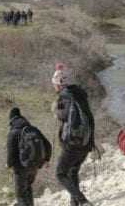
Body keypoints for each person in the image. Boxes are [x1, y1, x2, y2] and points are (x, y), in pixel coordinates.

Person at [51, 64, 95, 206]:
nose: (54, 87)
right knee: (72, 171)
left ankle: (82, 201)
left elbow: (63, 116)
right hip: (86, 141)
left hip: (72, 141)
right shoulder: (80, 94)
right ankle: (74, 202)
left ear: (58, 85)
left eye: (54, 84)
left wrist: (56, 110)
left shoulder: (65, 97)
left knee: (60, 173)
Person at [7, 107, 52, 206]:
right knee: (28, 189)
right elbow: (48, 144)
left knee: (21, 195)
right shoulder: (32, 129)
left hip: (20, 168)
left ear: (11, 119)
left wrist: (10, 166)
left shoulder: (13, 132)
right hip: (34, 166)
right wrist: (46, 159)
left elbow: (11, 153)